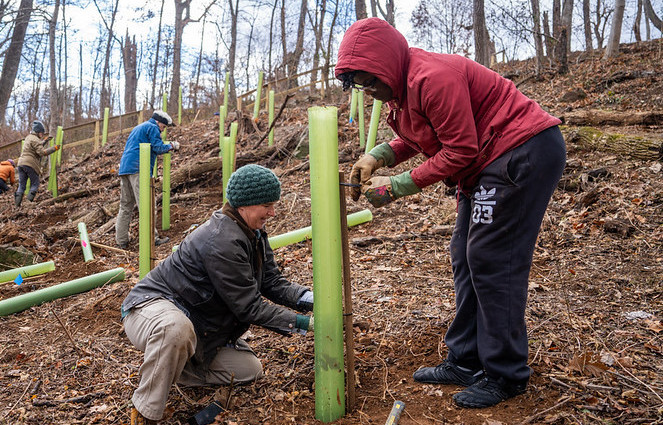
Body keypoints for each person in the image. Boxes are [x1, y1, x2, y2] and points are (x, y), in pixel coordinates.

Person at [335, 18, 566, 408]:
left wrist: (397, 186)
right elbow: (422, 133)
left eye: (370, 81)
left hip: (521, 150)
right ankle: (466, 358)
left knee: (491, 256)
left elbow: (460, 150)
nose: (370, 92)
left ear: (387, 64)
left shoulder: (432, 78)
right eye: (360, 84)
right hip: (488, 160)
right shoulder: (404, 87)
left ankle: (506, 374)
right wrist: (377, 156)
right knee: (464, 253)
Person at [120, 164, 314, 424]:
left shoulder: (253, 232)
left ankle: (170, 367)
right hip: (151, 308)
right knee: (175, 329)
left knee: (248, 370)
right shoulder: (221, 241)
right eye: (267, 205)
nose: (273, 212)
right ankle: (145, 413)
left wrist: (310, 299)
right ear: (244, 204)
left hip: (197, 323)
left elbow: (271, 281)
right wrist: (305, 324)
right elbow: (249, 307)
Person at [115, 110, 180, 250]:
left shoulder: (139, 127)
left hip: (125, 169)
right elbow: (157, 147)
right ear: (159, 122)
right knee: (147, 204)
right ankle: (152, 238)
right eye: (163, 127)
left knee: (125, 206)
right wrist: (172, 146)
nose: (162, 131)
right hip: (139, 169)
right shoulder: (152, 127)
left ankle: (121, 241)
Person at [15, 120, 59, 207]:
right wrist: (54, 148)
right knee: (35, 183)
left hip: (21, 163)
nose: (42, 135)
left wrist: (45, 141)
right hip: (30, 164)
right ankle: (28, 202)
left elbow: (34, 147)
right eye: (42, 133)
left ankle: (17, 205)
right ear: (38, 132)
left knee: (21, 185)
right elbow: (41, 152)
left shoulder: (29, 137)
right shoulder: (36, 139)